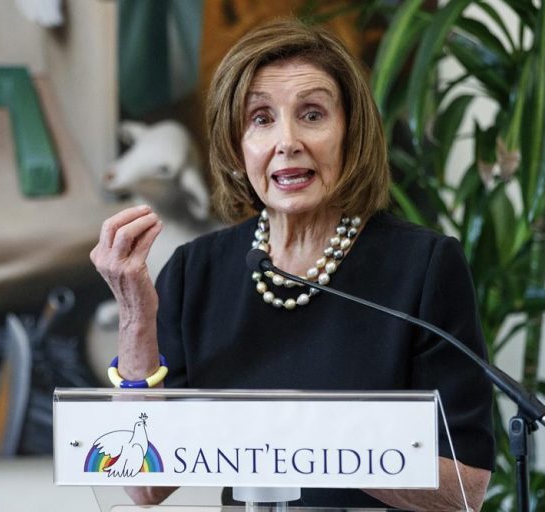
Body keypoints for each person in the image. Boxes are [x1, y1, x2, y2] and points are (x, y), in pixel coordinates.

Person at [91, 18, 494, 511]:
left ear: (350, 135)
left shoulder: (423, 267)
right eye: (261, 118)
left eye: (312, 114)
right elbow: (144, 484)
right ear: (236, 147)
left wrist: (296, 432)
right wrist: (135, 316)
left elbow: (464, 490)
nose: (287, 141)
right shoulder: (196, 271)